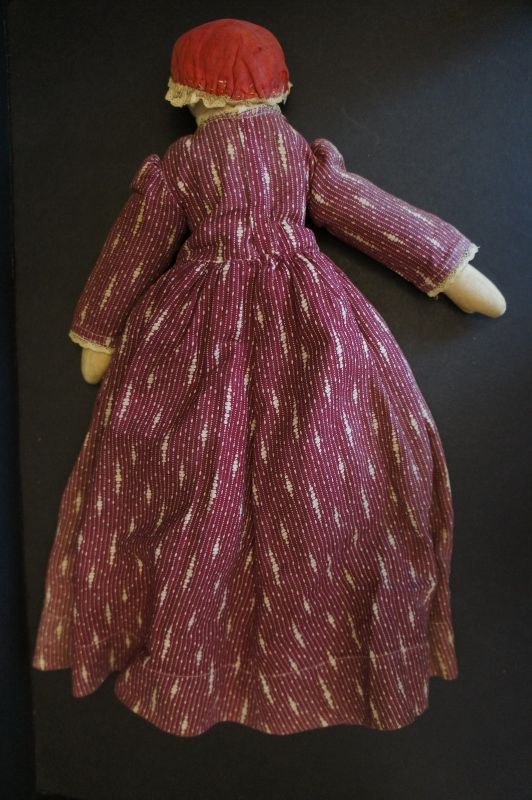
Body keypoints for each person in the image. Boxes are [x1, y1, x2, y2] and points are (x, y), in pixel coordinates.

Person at [32, 18, 506, 737]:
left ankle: (191, 654)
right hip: (308, 315)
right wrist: (453, 272)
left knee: (193, 479)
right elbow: (362, 207)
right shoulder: (296, 155)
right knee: (325, 467)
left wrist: (100, 332)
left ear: (191, 92)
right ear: (275, 88)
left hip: (195, 324)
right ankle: (315, 649)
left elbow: (136, 242)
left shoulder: (183, 164)